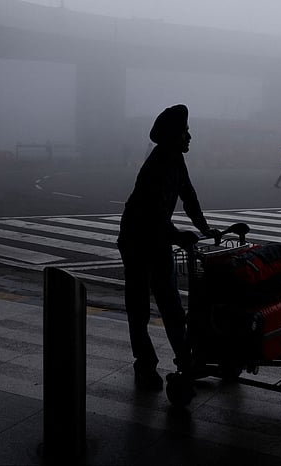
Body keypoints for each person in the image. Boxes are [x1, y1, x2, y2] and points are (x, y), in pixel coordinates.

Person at [117, 104, 216, 391]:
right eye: (185, 131)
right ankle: (145, 363)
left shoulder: (175, 160)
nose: (190, 136)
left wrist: (204, 227)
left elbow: (189, 196)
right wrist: (178, 235)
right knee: (140, 307)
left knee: (171, 304)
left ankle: (185, 360)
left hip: (157, 239)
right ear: (174, 135)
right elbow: (152, 213)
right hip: (136, 240)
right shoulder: (158, 164)